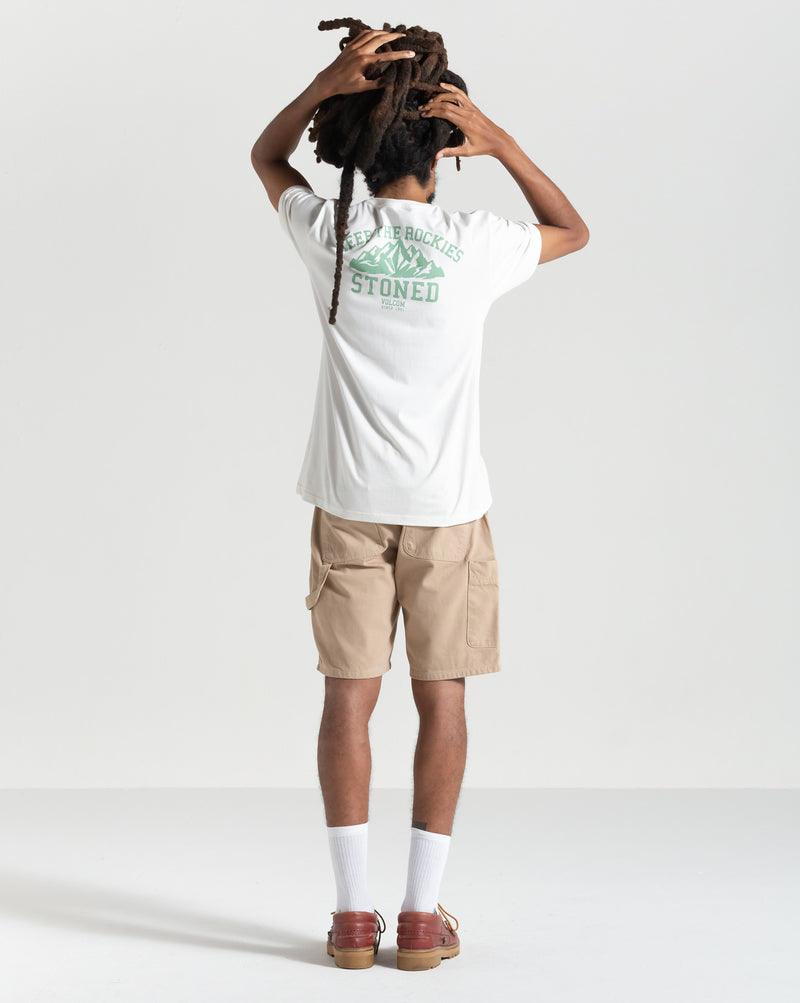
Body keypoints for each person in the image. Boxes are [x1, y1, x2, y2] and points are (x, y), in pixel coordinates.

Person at [250, 17, 589, 972]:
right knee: (442, 703)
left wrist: (325, 83)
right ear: (444, 151)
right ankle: (420, 916)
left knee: (347, 701)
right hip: (448, 510)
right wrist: (504, 142)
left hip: (349, 506)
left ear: (353, 148)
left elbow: (266, 156)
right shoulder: (475, 243)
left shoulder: (334, 233)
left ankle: (353, 918)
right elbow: (573, 230)